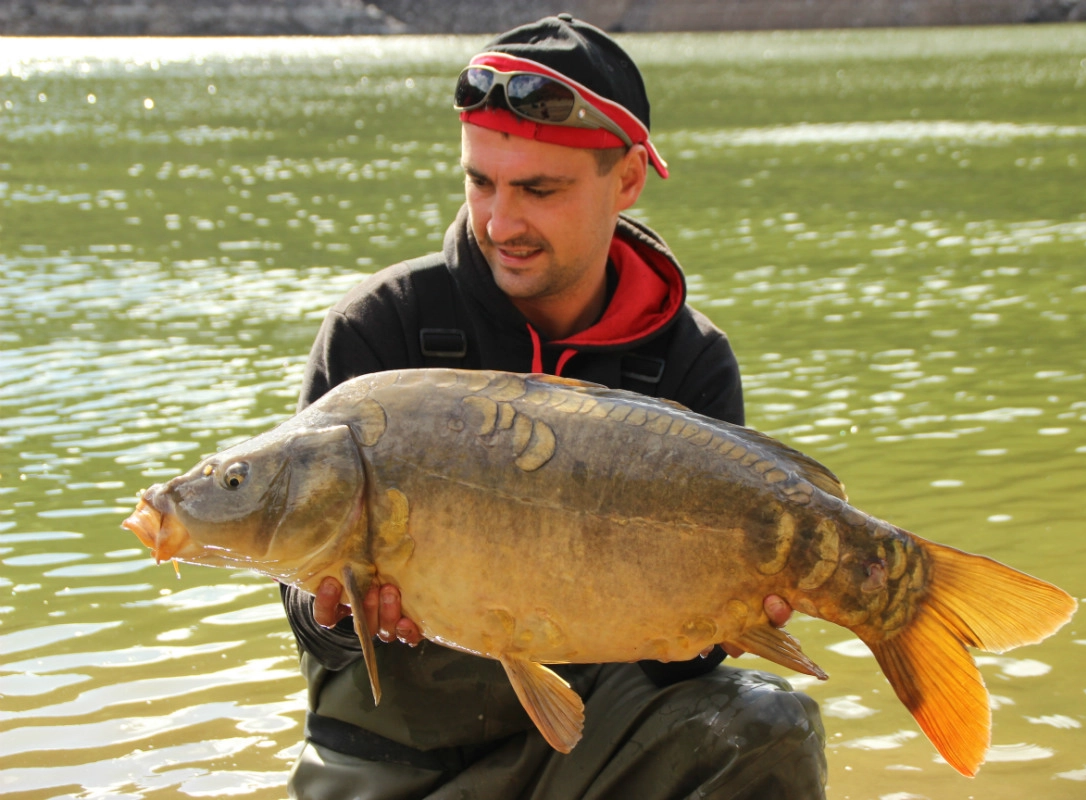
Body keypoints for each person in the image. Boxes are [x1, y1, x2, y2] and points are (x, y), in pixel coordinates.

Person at [281, 14, 827, 800]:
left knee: (772, 731)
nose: (501, 223)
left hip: (598, 739)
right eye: (481, 183)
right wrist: (333, 608)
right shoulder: (382, 329)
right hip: (398, 756)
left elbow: (682, 671)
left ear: (628, 180)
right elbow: (302, 602)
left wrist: (733, 610)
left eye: (539, 189)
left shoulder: (688, 361)